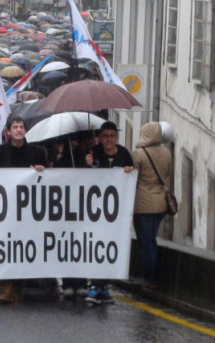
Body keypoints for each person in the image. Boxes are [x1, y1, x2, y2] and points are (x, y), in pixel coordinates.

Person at [0, 115, 47, 304]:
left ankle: (18, 284)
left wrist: (42, 170)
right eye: (15, 127)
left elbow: (48, 174)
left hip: (28, 210)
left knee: (24, 245)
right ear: (9, 131)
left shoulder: (37, 152)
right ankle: (7, 286)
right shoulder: (0, 151)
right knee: (7, 245)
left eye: (21, 126)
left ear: (25, 131)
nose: (19, 130)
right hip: (6, 210)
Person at [84, 121, 133, 304]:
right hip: (95, 210)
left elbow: (130, 181)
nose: (108, 140)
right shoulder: (93, 153)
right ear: (100, 138)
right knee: (95, 246)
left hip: (115, 213)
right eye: (105, 136)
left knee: (108, 248)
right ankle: (94, 284)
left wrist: (129, 171)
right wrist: (87, 164)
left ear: (116, 137)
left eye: (111, 136)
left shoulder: (124, 154)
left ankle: (103, 284)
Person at [131, 122, 172, 290]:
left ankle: (149, 278)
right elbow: (167, 173)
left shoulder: (139, 154)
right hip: (161, 203)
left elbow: (133, 177)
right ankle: (150, 277)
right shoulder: (167, 152)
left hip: (143, 204)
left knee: (146, 242)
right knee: (151, 239)